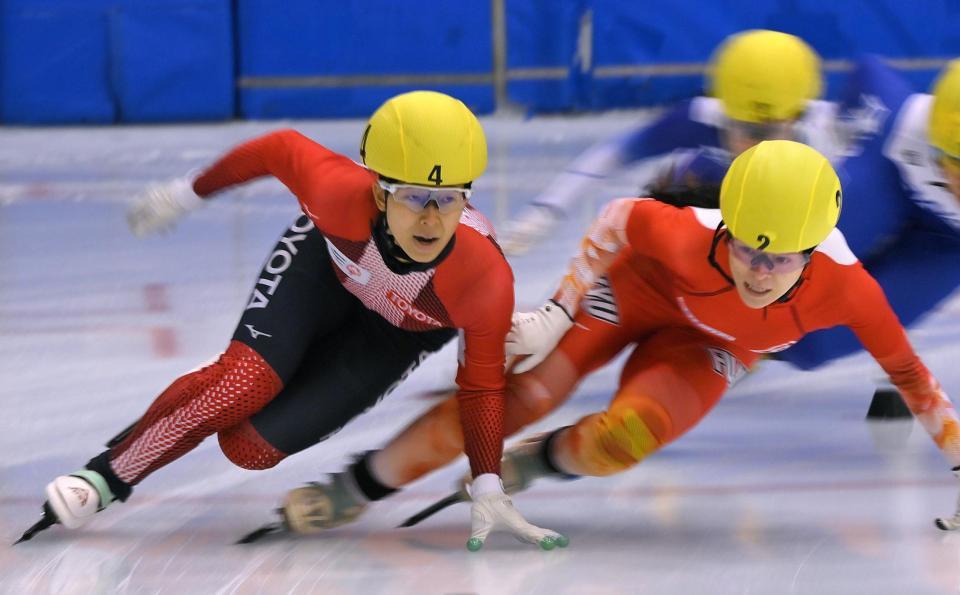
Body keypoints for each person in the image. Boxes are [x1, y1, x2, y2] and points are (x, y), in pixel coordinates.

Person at [274, 140, 960, 535]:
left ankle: (536, 464)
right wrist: (557, 310)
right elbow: (615, 220)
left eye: (779, 259)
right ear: (726, 223)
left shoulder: (851, 290)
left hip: (711, 347)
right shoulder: (687, 234)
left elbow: (913, 379)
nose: (757, 269)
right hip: (640, 289)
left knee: (626, 438)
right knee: (523, 392)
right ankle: (353, 488)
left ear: (812, 252)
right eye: (747, 247)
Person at [18, 90, 566, 551]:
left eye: (447, 200)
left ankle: (204, 397)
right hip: (322, 271)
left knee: (248, 447)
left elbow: (481, 387)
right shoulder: (336, 193)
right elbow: (277, 148)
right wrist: (189, 192)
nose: (430, 218)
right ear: (379, 189)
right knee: (242, 383)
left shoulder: (483, 279)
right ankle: (109, 475)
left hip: (394, 336)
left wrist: (489, 482)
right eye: (414, 197)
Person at [498, 28, 836, 255]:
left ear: (798, 117)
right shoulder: (699, 118)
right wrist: (546, 211)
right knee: (684, 180)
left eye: (764, 132)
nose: (751, 144)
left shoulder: (831, 136)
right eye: (739, 126)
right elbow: (611, 155)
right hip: (718, 224)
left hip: (785, 233)